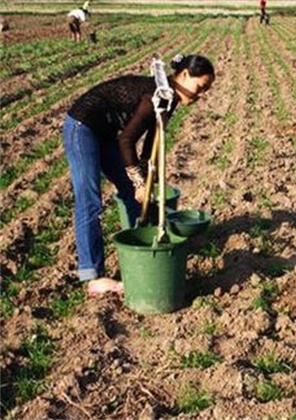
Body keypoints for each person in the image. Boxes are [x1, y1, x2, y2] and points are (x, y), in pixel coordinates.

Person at [62, 54, 215, 296]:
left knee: (132, 191)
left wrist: (144, 176)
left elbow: (152, 139)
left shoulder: (169, 97)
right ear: (184, 75)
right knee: (89, 200)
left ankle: (145, 243)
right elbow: (126, 140)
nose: (201, 95)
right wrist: (139, 181)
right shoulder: (155, 94)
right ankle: (93, 276)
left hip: (106, 132)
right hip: (83, 127)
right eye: (201, 87)